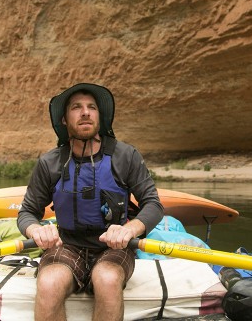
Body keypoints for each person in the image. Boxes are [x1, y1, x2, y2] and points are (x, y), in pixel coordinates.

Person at [17, 83, 164, 321]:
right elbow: (27, 212)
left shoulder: (125, 156)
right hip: (67, 245)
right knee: (49, 282)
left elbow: (154, 205)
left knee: (107, 278)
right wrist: (35, 229)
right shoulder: (49, 163)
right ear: (65, 120)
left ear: (99, 116)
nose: (85, 112)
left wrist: (129, 230)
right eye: (76, 107)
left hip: (113, 248)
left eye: (91, 107)